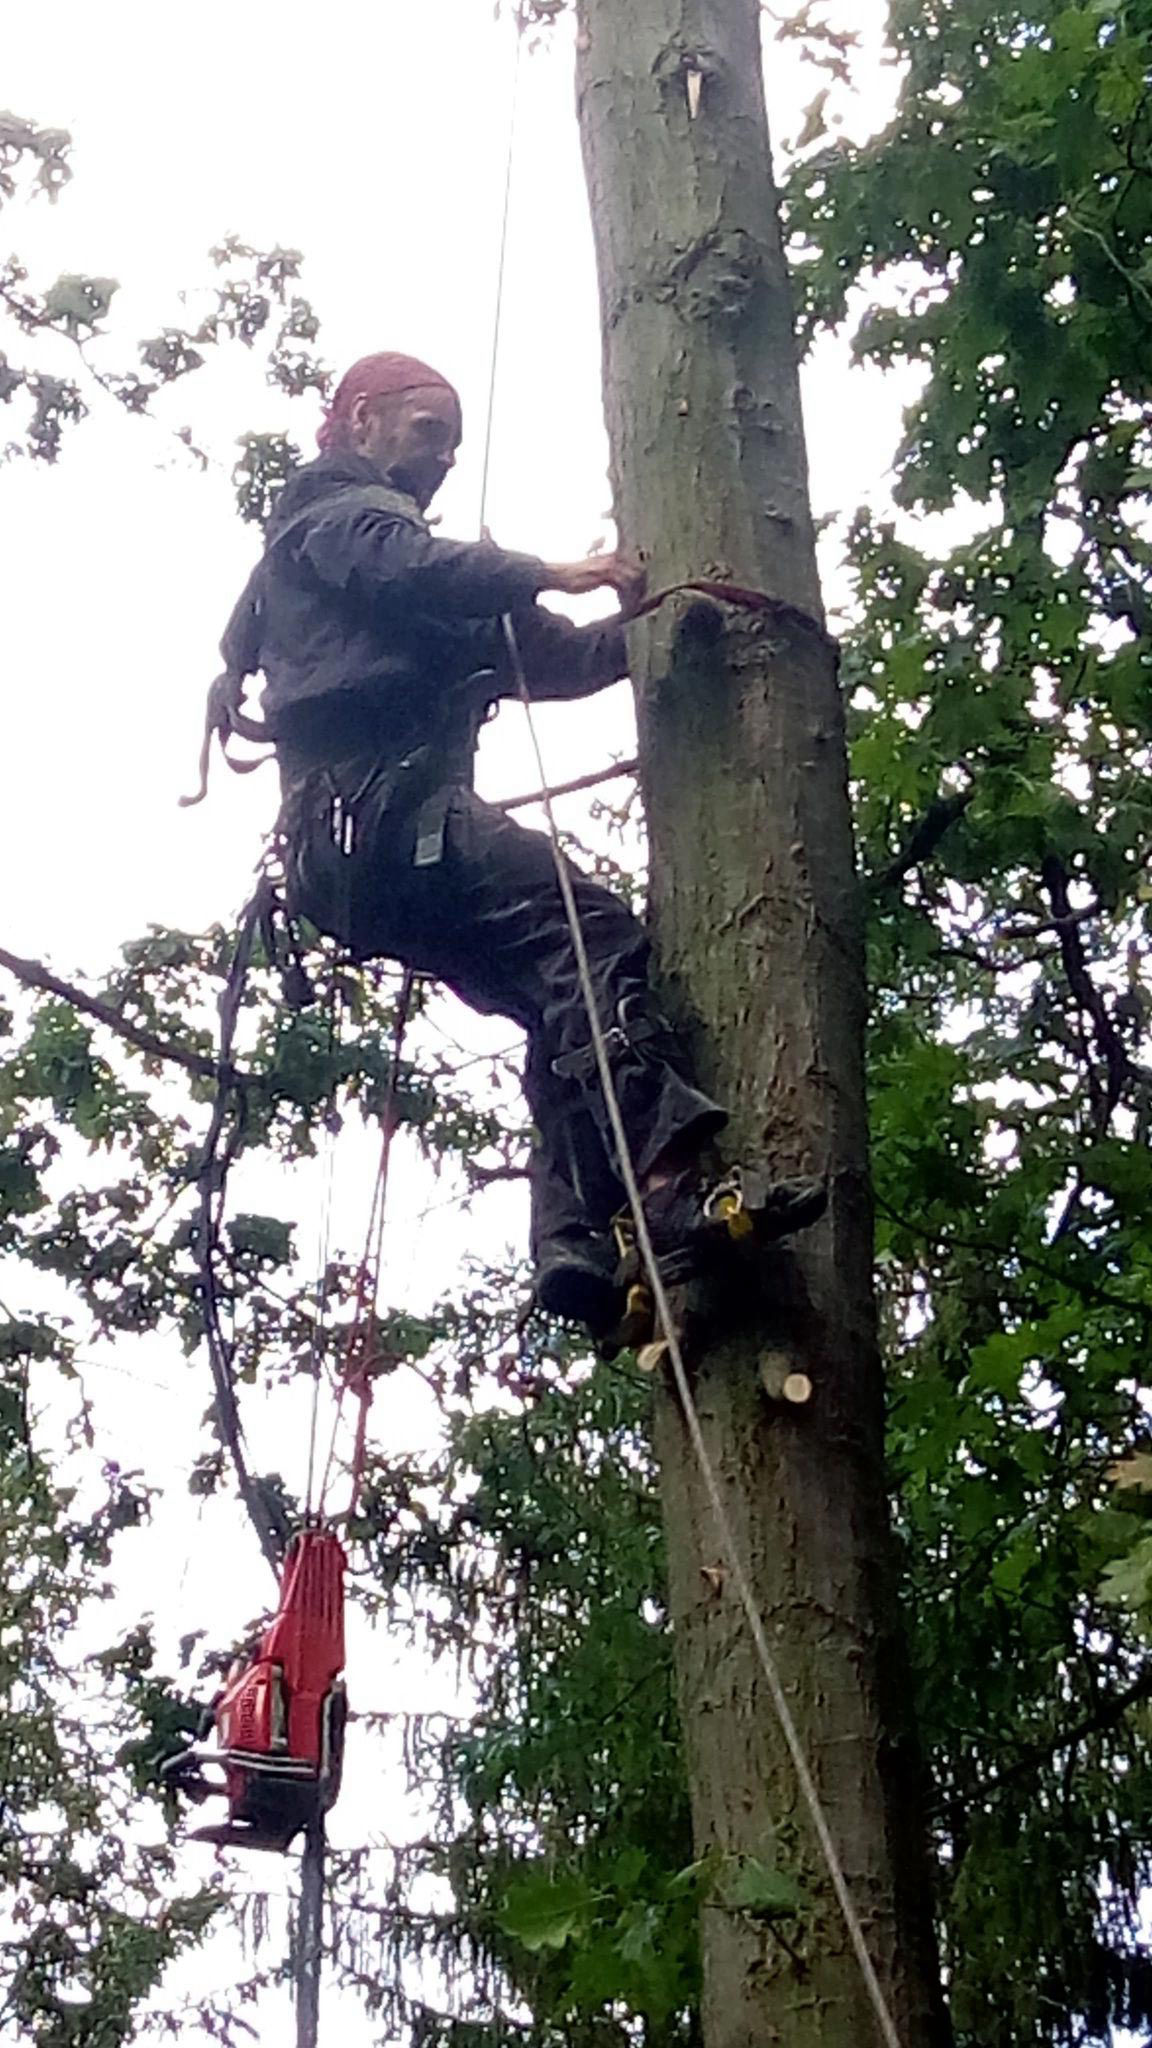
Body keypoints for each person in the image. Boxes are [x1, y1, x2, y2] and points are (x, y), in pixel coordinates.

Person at [216, 351, 822, 1340]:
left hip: (373, 854)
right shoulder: (329, 519)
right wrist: (554, 568)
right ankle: (667, 1180)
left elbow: (544, 655)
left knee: (559, 998)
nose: (442, 462)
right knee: (593, 935)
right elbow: (409, 561)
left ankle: (573, 1239)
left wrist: (654, 626)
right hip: (379, 823)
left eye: (452, 448)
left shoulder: (405, 584)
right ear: (361, 420)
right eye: (426, 434)